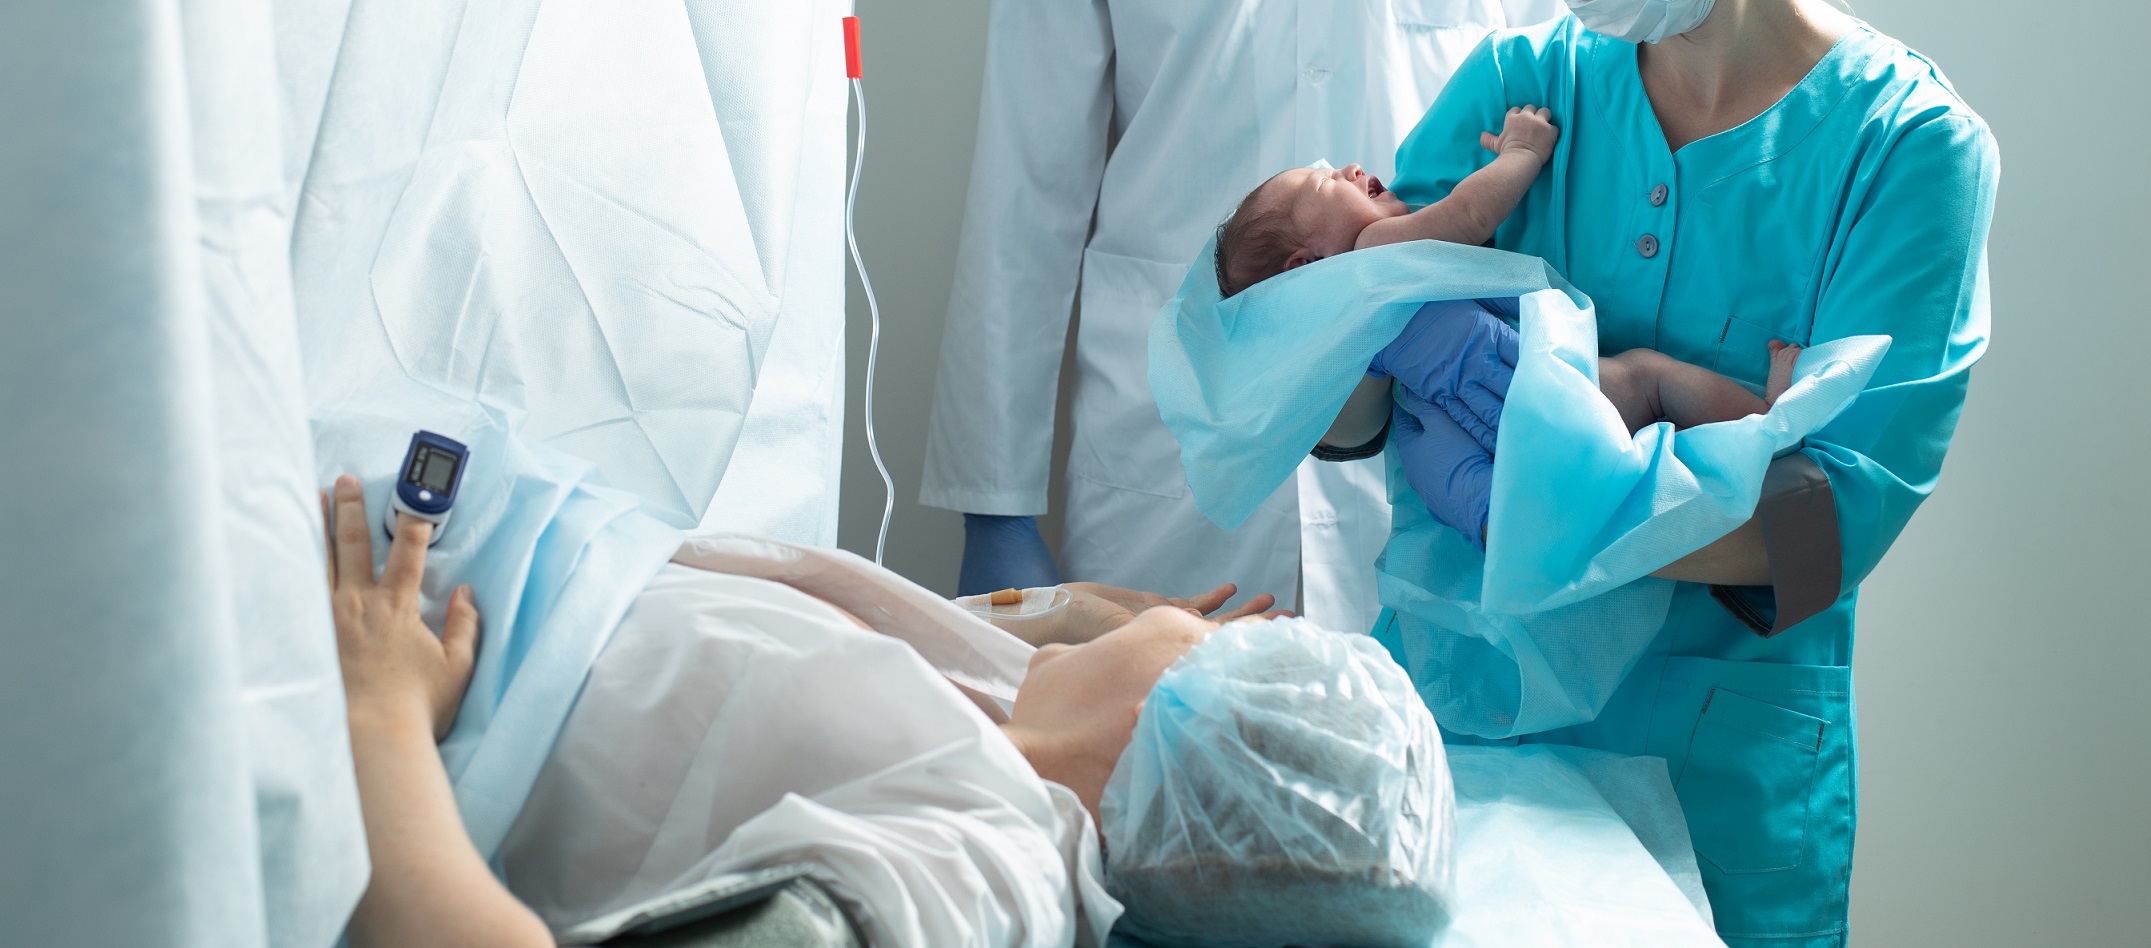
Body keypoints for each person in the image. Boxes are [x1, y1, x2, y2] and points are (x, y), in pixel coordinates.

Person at [1329, 1, 1998, 944]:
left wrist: (1513, 500)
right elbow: (1356, 379)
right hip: (1457, 725)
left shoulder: (1908, 146)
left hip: (1709, 769)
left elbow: (1818, 532)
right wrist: (1304, 328)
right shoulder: (1526, 78)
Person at [323, 477, 1443, 948]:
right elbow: (845, 648)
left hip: (360, 714)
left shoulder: (972, 874)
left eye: (1213, 642)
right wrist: (1068, 613)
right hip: (448, 569)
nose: (1171, 621)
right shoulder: (1022, 735)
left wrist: (376, 718)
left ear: (1191, 716)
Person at [922, 0, 1566, 637]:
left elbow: (1568, 75)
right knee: (1153, 718)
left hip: (1432, 426)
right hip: (1170, 457)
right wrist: (994, 506)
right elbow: (1024, 193)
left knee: (1411, 725)